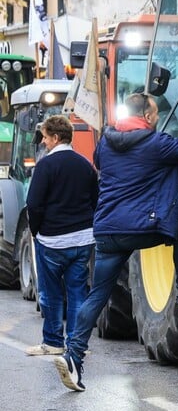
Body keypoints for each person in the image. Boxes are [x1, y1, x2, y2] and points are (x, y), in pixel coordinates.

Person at [54, 93, 178, 392]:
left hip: (108, 231)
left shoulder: (107, 143)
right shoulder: (156, 144)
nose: (158, 117)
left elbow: (100, 164)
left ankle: (73, 355)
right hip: (140, 227)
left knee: (97, 295)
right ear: (147, 117)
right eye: (155, 113)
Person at [24, 115, 98, 357]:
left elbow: (34, 204)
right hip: (83, 239)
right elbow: (95, 199)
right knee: (78, 292)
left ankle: (53, 342)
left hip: (52, 241)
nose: (43, 142)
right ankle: (77, 344)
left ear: (56, 138)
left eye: (45, 137)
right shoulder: (85, 164)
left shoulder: (45, 165)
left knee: (51, 293)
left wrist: (36, 232)